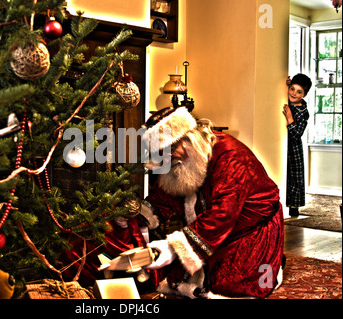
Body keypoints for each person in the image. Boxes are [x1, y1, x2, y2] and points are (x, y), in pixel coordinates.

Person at [62, 107, 284, 299]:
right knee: (175, 272)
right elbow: (162, 199)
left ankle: (275, 262)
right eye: (162, 152)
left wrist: (170, 248)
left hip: (252, 229)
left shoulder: (231, 157)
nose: (169, 157)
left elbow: (223, 215)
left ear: (190, 138)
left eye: (171, 149)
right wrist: (135, 217)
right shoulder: (182, 160)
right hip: (209, 230)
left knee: (233, 285)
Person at [282, 74, 312, 216]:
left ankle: (294, 206)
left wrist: (289, 118)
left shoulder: (303, 112)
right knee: (285, 173)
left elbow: (296, 134)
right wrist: (285, 84)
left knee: (295, 176)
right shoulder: (285, 99)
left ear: (304, 95)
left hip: (294, 148)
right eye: (292, 89)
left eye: (299, 91)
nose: (293, 93)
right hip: (283, 144)